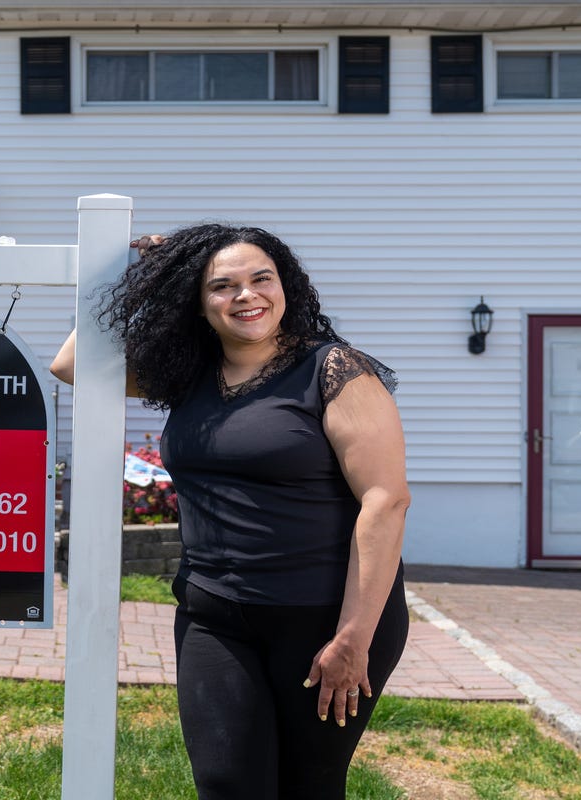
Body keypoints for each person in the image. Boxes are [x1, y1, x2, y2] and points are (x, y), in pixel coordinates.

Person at [51, 224, 409, 799]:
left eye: (260, 279)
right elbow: (72, 364)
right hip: (213, 615)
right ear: (196, 302)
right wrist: (132, 273)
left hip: (322, 621)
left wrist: (353, 638)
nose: (246, 296)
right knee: (225, 783)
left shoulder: (335, 371)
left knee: (308, 786)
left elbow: (386, 501)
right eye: (223, 286)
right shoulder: (188, 375)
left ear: (284, 284)